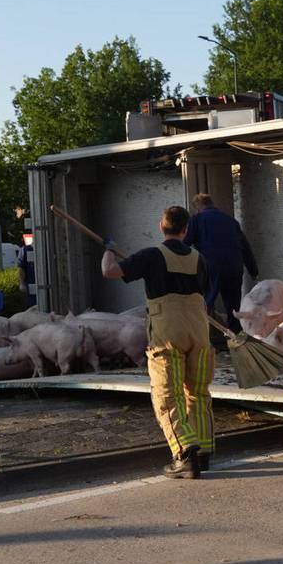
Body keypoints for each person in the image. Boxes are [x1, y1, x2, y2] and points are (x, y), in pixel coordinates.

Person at [101, 205, 214, 479]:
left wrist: (109, 249)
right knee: (198, 393)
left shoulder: (152, 255)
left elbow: (110, 272)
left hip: (168, 336)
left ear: (161, 226)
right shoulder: (200, 259)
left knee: (167, 397)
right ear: (186, 230)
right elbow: (205, 293)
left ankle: (185, 455)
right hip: (199, 334)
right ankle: (203, 452)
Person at [184, 193, 258, 333]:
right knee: (233, 308)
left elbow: (185, 243)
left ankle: (204, 338)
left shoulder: (197, 219)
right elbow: (245, 247)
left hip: (212, 267)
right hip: (234, 267)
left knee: (206, 304)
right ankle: (235, 341)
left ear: (198, 208)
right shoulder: (231, 221)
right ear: (212, 204)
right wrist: (253, 271)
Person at [16, 241, 36, 308]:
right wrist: (21, 283)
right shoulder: (25, 249)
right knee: (32, 307)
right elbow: (21, 268)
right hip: (31, 285)